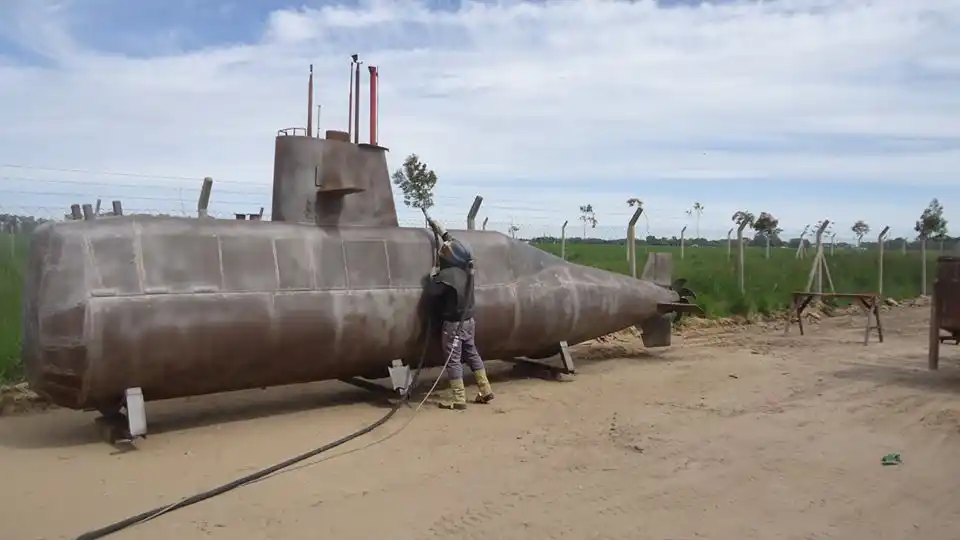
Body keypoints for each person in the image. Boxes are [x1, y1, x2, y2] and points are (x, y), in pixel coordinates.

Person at [425, 217, 495, 410]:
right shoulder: (467, 269)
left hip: (453, 326)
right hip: (468, 322)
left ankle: (458, 398)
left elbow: (432, 292)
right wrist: (442, 231)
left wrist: (431, 277)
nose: (443, 252)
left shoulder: (447, 277)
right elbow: (457, 249)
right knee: (472, 354)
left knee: (453, 360)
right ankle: (485, 389)